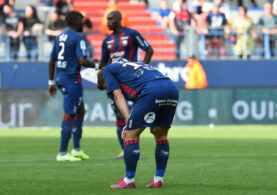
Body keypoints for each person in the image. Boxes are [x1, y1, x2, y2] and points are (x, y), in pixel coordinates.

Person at [97, 58, 179, 189]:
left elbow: (118, 96)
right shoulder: (133, 67)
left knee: (130, 135)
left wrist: (128, 121)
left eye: (106, 88)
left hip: (152, 90)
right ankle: (158, 180)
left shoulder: (107, 71)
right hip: (171, 87)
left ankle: (129, 180)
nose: (109, 92)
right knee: (161, 135)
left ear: (103, 81)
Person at [100, 10, 154, 159]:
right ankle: (125, 150)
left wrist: (143, 69)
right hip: (114, 83)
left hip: (130, 82)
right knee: (119, 116)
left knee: (133, 115)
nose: (108, 22)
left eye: (110, 19)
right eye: (107, 19)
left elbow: (149, 50)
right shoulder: (106, 41)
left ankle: (135, 148)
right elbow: (103, 63)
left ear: (119, 19)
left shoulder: (131, 34)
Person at [48, 11, 100, 161]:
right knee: (70, 114)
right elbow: (83, 61)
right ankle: (62, 153)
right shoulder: (78, 37)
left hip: (60, 77)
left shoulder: (59, 37)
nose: (83, 24)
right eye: (81, 21)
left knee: (80, 110)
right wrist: (98, 66)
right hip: (72, 80)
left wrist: (51, 82)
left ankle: (76, 149)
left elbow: (52, 60)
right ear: (76, 22)